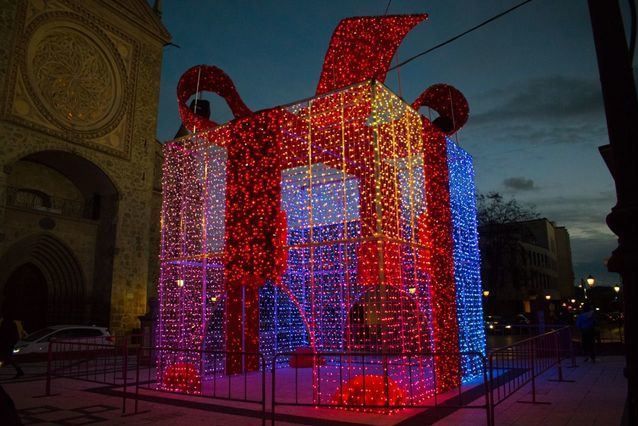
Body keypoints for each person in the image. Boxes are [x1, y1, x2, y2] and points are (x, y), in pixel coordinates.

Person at [0, 314, 25, 379]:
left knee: (8, 357)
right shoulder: (11, 323)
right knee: (8, 357)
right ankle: (19, 370)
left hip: (6, 343)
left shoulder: (7, 324)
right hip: (7, 343)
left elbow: (3, 334)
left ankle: (19, 370)